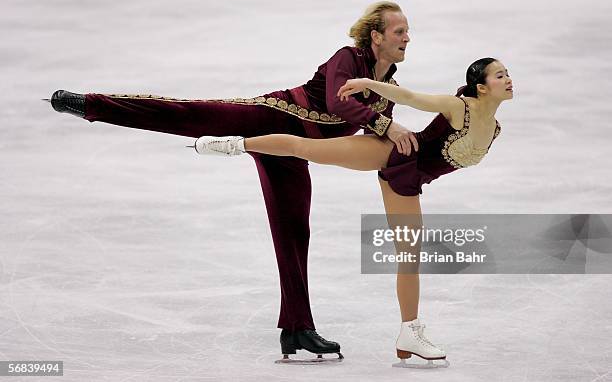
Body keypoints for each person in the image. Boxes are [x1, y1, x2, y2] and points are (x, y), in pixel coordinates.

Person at [46, 1, 418, 363]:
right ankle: (90, 105)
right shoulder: (348, 58)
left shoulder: (387, 87)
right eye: (399, 31)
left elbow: (374, 140)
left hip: (292, 151)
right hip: (268, 117)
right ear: (376, 36)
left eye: (407, 32)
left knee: (294, 232)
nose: (407, 38)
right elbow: (340, 105)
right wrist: (389, 126)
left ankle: (296, 328)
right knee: (187, 114)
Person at [192, 57, 512, 367]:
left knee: (409, 257)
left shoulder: (494, 128)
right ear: (481, 88)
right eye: (499, 75)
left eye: (507, 73)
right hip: (395, 154)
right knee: (306, 149)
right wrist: (367, 83)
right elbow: (411, 97)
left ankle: (408, 335)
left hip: (410, 182)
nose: (508, 79)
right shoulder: (460, 107)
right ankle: (233, 145)